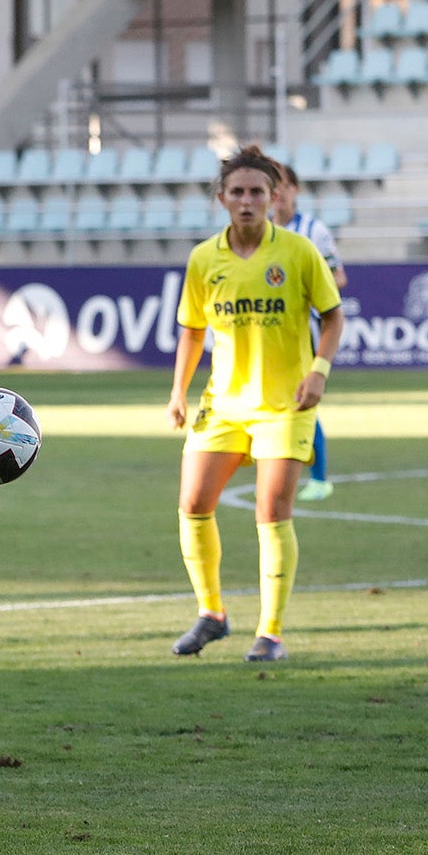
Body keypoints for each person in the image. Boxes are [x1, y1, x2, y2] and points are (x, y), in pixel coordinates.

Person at [166, 145, 344, 662]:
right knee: (193, 505)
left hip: (285, 404)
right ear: (221, 198)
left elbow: (332, 317)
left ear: (274, 196)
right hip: (222, 403)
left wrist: (319, 372)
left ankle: (270, 633)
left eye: (257, 192)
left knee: (271, 510)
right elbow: (192, 331)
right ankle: (211, 615)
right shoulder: (203, 259)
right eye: (238, 192)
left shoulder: (298, 252)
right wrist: (178, 390)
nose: (247, 201)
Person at [272, 163, 349, 502]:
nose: (279, 193)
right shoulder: (258, 231)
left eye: (285, 186)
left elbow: (339, 277)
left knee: (302, 399)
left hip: (303, 329)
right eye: (274, 187)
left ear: (295, 190)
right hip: (267, 330)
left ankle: (319, 478)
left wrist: (305, 291)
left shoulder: (313, 230)